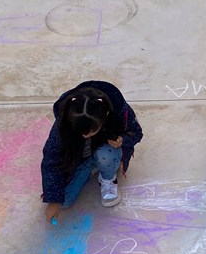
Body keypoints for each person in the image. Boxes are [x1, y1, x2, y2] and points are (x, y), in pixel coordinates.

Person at [41, 81, 143, 223]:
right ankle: (90, 167)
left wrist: (122, 139)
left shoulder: (119, 111)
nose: (85, 135)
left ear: (105, 117)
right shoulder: (64, 121)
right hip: (80, 156)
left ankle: (107, 178)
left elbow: (136, 132)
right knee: (63, 201)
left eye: (92, 130)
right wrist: (53, 200)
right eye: (80, 132)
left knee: (107, 154)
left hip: (105, 150)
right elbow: (51, 158)